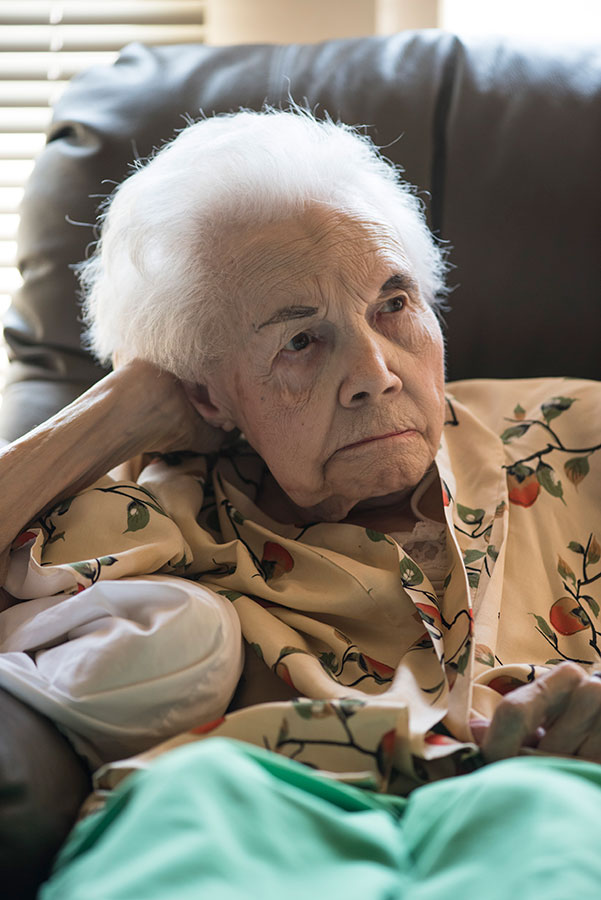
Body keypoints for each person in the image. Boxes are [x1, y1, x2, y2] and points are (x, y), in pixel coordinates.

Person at [0, 108, 600, 896]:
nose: (377, 373)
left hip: (553, 795)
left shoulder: (572, 436)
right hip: (243, 800)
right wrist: (121, 409)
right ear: (207, 395)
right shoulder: (158, 504)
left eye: (392, 304)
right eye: (299, 340)